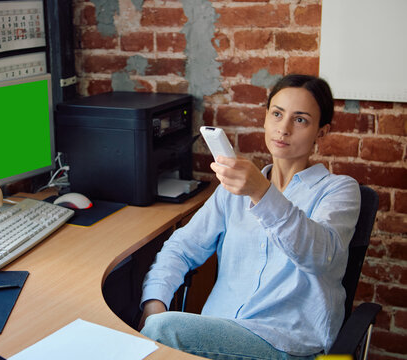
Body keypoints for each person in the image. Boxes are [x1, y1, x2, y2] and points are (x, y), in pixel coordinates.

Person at [139, 74, 361, 359]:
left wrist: (261, 192)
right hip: (220, 333)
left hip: (287, 343)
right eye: (277, 114)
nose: (283, 128)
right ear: (265, 118)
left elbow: (319, 256)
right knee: (156, 326)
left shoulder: (339, 190)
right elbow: (181, 248)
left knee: (164, 332)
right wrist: (154, 303)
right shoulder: (233, 190)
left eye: (301, 119)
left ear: (322, 131)